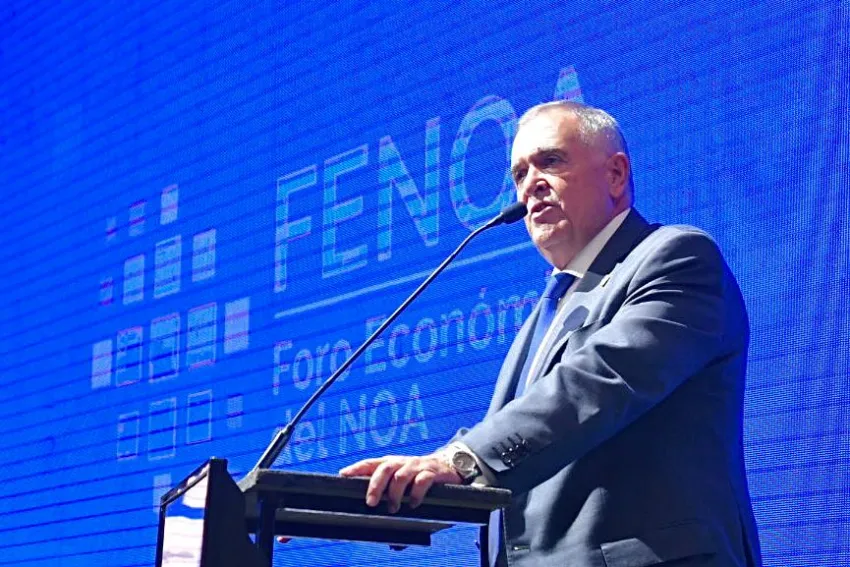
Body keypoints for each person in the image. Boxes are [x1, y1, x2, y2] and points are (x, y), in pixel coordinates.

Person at [340, 101, 763, 567]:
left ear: (616, 175)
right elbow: (518, 434)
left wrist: (460, 464)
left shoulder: (677, 257)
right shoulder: (549, 310)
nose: (530, 185)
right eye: (520, 173)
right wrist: (415, 489)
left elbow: (597, 384)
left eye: (551, 161)